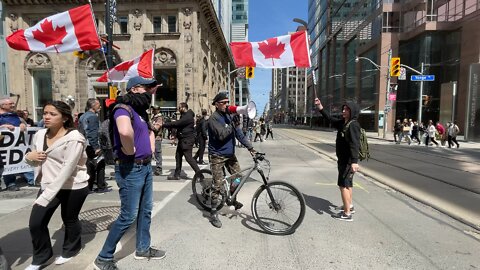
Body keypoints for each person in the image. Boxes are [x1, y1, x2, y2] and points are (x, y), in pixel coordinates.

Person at [94, 76, 165, 270]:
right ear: (134, 89)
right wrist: (130, 150)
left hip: (144, 167)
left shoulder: (140, 111)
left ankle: (143, 248)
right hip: (130, 168)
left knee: (145, 210)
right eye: (146, 88)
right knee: (128, 215)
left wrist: (150, 144)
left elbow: (146, 132)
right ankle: (103, 258)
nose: (150, 92)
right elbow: (125, 132)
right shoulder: (122, 108)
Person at [24, 101, 89, 270]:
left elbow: (67, 169)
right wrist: (28, 157)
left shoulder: (75, 139)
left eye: (52, 114)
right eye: (45, 113)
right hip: (48, 184)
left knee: (69, 219)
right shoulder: (39, 135)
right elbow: (34, 160)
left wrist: (46, 195)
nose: (46, 116)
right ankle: (41, 257)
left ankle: (71, 249)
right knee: (36, 223)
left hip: (72, 186)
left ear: (65, 118)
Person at [207, 92, 255, 228]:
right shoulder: (213, 119)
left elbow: (239, 134)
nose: (226, 105)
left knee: (238, 177)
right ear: (216, 104)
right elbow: (221, 135)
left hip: (229, 155)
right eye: (223, 102)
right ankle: (213, 212)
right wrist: (232, 126)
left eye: (227, 102)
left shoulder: (229, 116)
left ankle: (232, 199)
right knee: (217, 185)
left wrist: (251, 148)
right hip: (217, 155)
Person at [315, 97, 360, 222]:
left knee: (343, 186)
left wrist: (354, 161)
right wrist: (321, 108)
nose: (344, 111)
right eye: (344, 108)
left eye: (347, 109)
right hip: (344, 160)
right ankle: (349, 206)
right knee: (348, 184)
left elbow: (355, 144)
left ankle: (346, 214)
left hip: (348, 162)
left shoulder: (353, 125)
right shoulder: (344, 123)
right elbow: (330, 119)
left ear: (353, 111)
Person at [161, 102, 200, 180]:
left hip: (187, 140)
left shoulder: (188, 116)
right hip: (182, 140)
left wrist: (164, 124)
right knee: (178, 156)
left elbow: (178, 123)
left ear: (183, 107)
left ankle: (200, 175)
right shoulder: (184, 115)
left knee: (189, 158)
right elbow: (180, 126)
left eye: (179, 108)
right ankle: (177, 174)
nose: (178, 110)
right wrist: (175, 134)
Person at [79, 98, 109, 193]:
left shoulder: (83, 116)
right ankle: (100, 186)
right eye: (98, 105)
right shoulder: (92, 117)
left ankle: (89, 187)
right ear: (93, 106)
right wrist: (96, 147)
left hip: (85, 145)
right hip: (92, 145)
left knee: (89, 166)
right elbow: (92, 133)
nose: (100, 107)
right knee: (99, 165)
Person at [0, 97, 28, 191]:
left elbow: (22, 124)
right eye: (10, 104)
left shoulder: (14, 116)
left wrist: (22, 124)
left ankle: (11, 183)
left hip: (11, 147)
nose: (13, 105)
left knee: (10, 162)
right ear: (2, 106)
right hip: (1, 145)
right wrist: (3, 127)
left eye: (13, 103)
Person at [151, 105, 163, 175]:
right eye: (153, 109)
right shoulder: (153, 117)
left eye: (154, 109)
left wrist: (148, 125)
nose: (153, 110)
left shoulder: (159, 118)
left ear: (158, 110)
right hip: (152, 137)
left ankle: (159, 169)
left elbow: (156, 128)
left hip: (157, 138)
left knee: (158, 153)